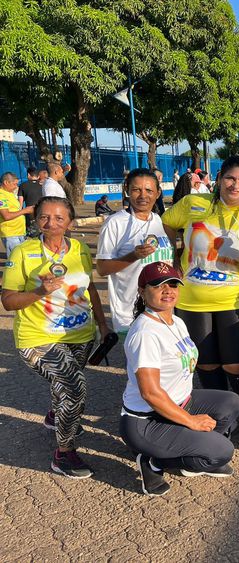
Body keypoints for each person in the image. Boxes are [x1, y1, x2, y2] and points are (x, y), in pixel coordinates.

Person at [161, 156, 239, 449]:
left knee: (237, 367)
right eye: (230, 178)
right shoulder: (192, 204)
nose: (236, 185)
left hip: (236, 301)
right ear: (220, 178)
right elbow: (166, 222)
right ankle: (221, 420)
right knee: (208, 367)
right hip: (193, 300)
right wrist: (177, 252)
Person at [1, 196, 111, 478]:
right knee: (74, 388)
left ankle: (56, 416)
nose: (51, 223)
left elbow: (89, 290)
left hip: (80, 334)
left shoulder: (79, 248)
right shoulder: (23, 252)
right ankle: (64, 454)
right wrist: (39, 292)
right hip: (38, 337)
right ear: (36, 221)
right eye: (44, 217)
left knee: (65, 388)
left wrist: (102, 325)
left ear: (70, 222)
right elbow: (9, 301)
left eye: (59, 218)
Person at [121, 261, 239, 495]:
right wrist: (191, 421)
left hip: (178, 403)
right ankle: (153, 462)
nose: (168, 290)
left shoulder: (176, 321)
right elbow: (150, 393)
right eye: (158, 285)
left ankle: (192, 450)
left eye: (173, 284)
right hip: (146, 421)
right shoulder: (145, 333)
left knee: (231, 403)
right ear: (142, 291)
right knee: (222, 452)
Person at [96, 169, 173, 336]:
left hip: (162, 308)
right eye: (136, 190)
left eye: (149, 190)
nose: (142, 195)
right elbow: (101, 269)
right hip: (131, 314)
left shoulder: (158, 220)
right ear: (127, 191)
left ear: (158, 193)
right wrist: (133, 256)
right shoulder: (115, 223)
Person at [1, 172, 34, 256]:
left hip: (19, 232)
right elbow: (6, 216)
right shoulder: (1, 195)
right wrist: (25, 210)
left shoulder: (10, 194)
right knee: (15, 259)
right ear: (6, 182)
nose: (16, 187)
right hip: (11, 234)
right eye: (14, 184)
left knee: (21, 258)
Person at [18, 167, 44, 237]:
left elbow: (20, 203)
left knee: (33, 237)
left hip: (30, 213)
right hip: (43, 212)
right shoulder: (43, 185)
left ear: (28, 175)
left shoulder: (23, 185)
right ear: (38, 176)